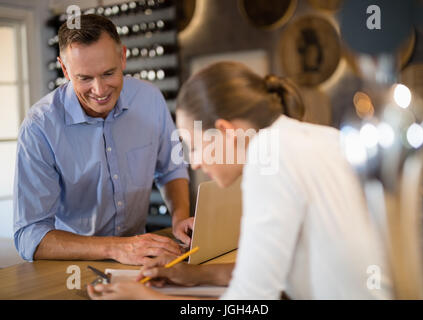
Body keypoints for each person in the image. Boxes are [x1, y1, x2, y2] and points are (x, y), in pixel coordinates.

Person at [88, 61, 392, 299]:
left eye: (193, 145)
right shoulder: (314, 137)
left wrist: (144, 298)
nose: (194, 161)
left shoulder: (268, 165)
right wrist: (195, 276)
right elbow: (264, 271)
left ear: (225, 131)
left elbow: (249, 304)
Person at [13, 14, 193, 265]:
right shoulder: (39, 126)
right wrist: (115, 248)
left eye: (108, 73)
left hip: (138, 260)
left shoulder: (150, 99)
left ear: (123, 57)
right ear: (64, 69)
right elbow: (29, 235)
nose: (99, 90)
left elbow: (171, 169)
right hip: (70, 266)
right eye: (84, 78)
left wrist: (180, 219)